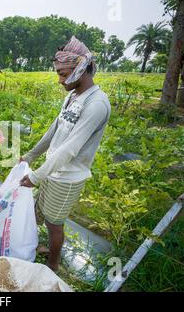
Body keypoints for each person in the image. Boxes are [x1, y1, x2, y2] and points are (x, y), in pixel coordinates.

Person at [19, 36, 111, 272]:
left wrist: (36, 176)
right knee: (41, 212)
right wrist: (30, 156)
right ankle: (46, 248)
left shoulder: (96, 103)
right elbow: (54, 131)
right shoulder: (72, 97)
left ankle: (53, 264)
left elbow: (70, 149)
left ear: (81, 69)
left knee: (54, 223)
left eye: (63, 73)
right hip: (53, 169)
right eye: (58, 73)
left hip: (68, 176)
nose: (60, 80)